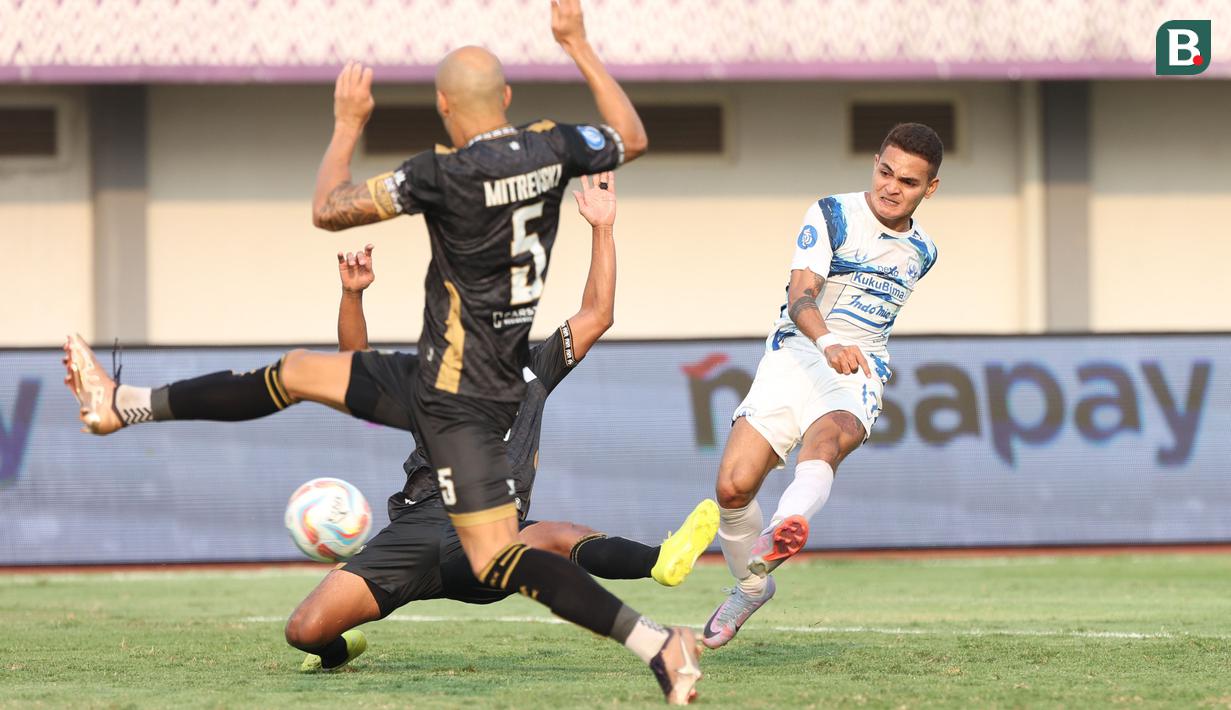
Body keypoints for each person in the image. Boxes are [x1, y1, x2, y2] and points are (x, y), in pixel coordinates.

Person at [66, 1, 705, 694]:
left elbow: (328, 206)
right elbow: (631, 137)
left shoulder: (442, 173)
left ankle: (656, 643)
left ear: (441, 105)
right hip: (437, 379)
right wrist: (577, 44)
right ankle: (120, 403)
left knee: (496, 556)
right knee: (298, 371)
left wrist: (346, 125)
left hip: (462, 399)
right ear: (509, 99)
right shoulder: (552, 145)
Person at [285, 199, 716, 673]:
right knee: (305, 631)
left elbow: (597, 313)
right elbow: (356, 363)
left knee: (557, 536)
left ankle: (660, 560)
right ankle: (340, 651)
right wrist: (353, 294)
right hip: (415, 529)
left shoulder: (537, 367)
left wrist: (603, 227)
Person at [700, 123, 944, 650]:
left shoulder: (923, 251)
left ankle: (785, 528)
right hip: (796, 356)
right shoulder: (832, 214)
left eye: (907, 181)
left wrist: (849, 353)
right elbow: (801, 296)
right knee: (732, 487)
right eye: (884, 171)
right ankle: (751, 586)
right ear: (874, 162)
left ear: (930, 189)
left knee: (827, 441)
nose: (890, 187)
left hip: (858, 371)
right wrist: (828, 341)